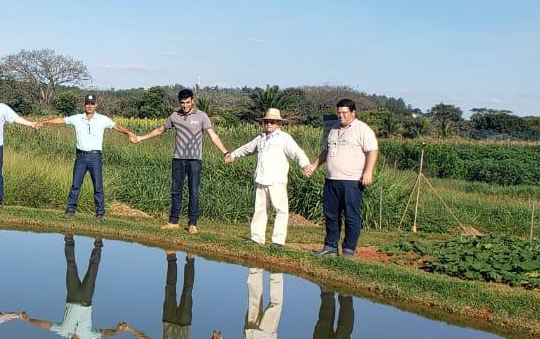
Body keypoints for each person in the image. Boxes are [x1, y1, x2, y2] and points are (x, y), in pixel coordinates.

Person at [117, 252, 218, 339]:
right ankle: (190, 259)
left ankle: (171, 257)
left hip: (168, 320)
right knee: (187, 291)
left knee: (170, 288)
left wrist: (129, 329)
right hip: (184, 323)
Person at [132, 89, 228, 233]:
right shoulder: (174, 116)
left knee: (193, 192)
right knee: (176, 191)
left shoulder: (202, 116)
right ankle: (173, 221)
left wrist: (225, 152)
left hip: (195, 160)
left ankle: (192, 224)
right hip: (178, 159)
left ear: (192, 101)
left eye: (187, 102)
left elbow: (213, 136)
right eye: (182, 103)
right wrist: (140, 138)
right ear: (179, 102)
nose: (185, 105)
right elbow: (160, 130)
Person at [20, 235, 124, 339]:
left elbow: (46, 325)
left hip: (72, 295)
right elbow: (104, 333)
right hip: (86, 298)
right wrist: (116, 331)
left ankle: (69, 239)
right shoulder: (88, 336)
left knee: (70, 266)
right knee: (93, 269)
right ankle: (98, 242)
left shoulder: (63, 332)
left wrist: (30, 320)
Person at [36, 94, 137, 219]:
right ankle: (70, 210)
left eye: (92, 104)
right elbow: (61, 120)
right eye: (87, 103)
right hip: (81, 157)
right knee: (76, 185)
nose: (89, 106)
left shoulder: (102, 119)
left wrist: (129, 133)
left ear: (96, 105)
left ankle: (100, 213)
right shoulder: (78, 118)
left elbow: (116, 126)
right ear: (84, 105)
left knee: (98, 186)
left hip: (95, 157)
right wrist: (43, 122)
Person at [223, 108, 310, 246]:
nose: (269, 124)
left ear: (278, 124)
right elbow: (247, 148)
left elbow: (297, 152)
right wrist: (232, 155)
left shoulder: (284, 138)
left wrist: (305, 165)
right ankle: (257, 237)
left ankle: (278, 241)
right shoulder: (261, 138)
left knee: (281, 210)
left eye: (272, 122)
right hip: (261, 179)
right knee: (260, 209)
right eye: (267, 121)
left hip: (277, 180)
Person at [305, 98, 379, 258]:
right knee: (331, 215)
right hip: (331, 180)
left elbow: (372, 151)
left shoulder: (362, 129)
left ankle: (348, 250)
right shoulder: (333, 128)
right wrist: (314, 165)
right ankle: (330, 247)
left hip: (352, 181)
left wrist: (368, 172)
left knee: (351, 216)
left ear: (353, 113)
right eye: (339, 113)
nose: (341, 116)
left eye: (345, 113)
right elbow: (326, 151)